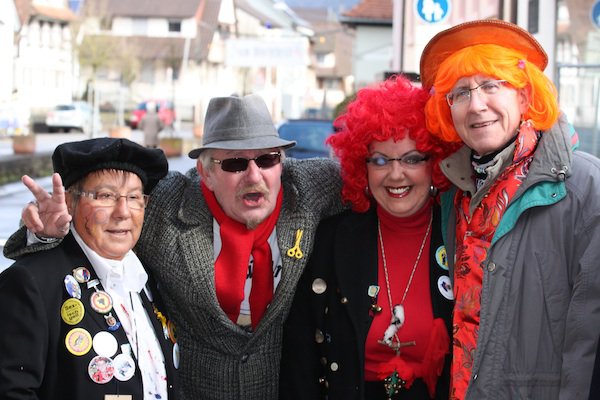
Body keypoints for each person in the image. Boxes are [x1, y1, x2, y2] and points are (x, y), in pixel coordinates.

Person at [4, 94, 344, 399]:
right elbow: (93, 224)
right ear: (206, 172)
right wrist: (45, 232)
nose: (254, 176)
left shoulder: (308, 189)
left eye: (267, 159)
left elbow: (379, 178)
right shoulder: (165, 206)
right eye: (235, 163)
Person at [420, 19, 600, 399]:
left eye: (491, 85)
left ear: (523, 95)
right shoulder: (452, 192)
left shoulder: (585, 186)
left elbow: (590, 336)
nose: (477, 104)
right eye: (461, 92)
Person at [279, 76, 456, 400]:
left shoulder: (459, 237)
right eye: (380, 160)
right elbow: (299, 360)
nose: (396, 173)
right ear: (362, 167)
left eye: (412, 158)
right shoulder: (331, 240)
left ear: (436, 164)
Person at [0, 138, 178, 399]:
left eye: (134, 197)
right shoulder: (32, 283)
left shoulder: (147, 278)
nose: (122, 212)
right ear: (70, 202)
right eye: (105, 196)